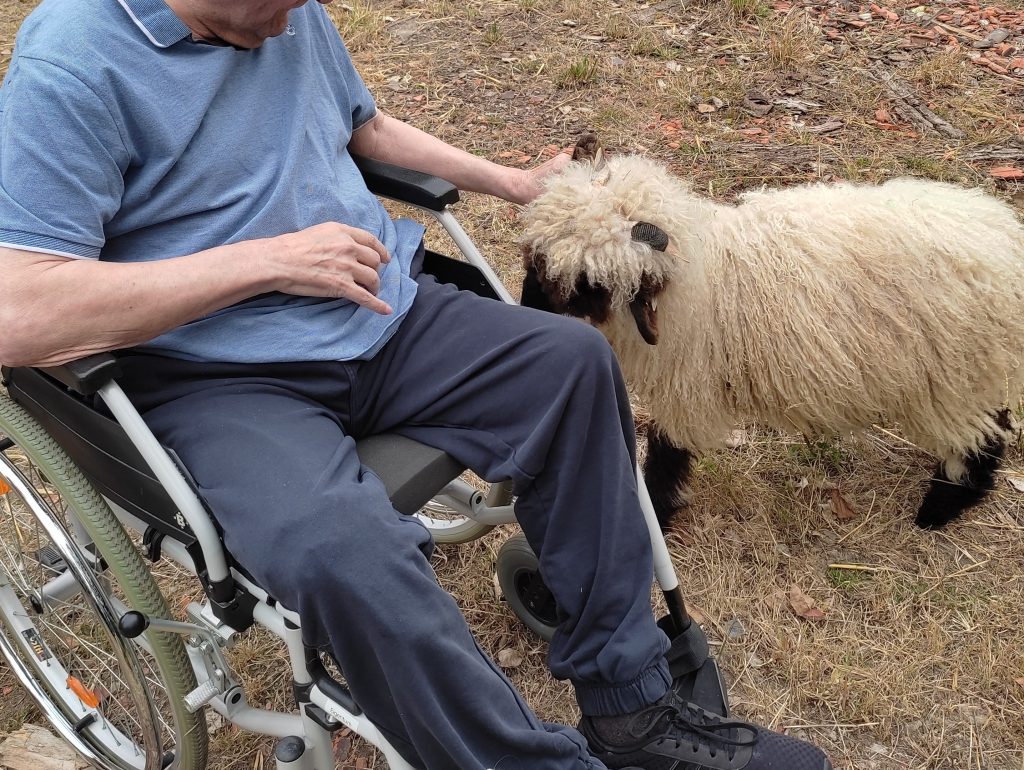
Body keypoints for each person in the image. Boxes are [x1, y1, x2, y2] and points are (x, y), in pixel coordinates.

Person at [0, 1, 834, 769]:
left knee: (572, 366)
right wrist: (263, 264)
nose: (292, 24)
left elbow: (362, 127)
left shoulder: (286, 14)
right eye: (273, 9)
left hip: (377, 308)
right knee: (338, 549)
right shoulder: (74, 64)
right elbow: (20, 311)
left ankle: (633, 709)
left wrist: (510, 182)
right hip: (216, 373)